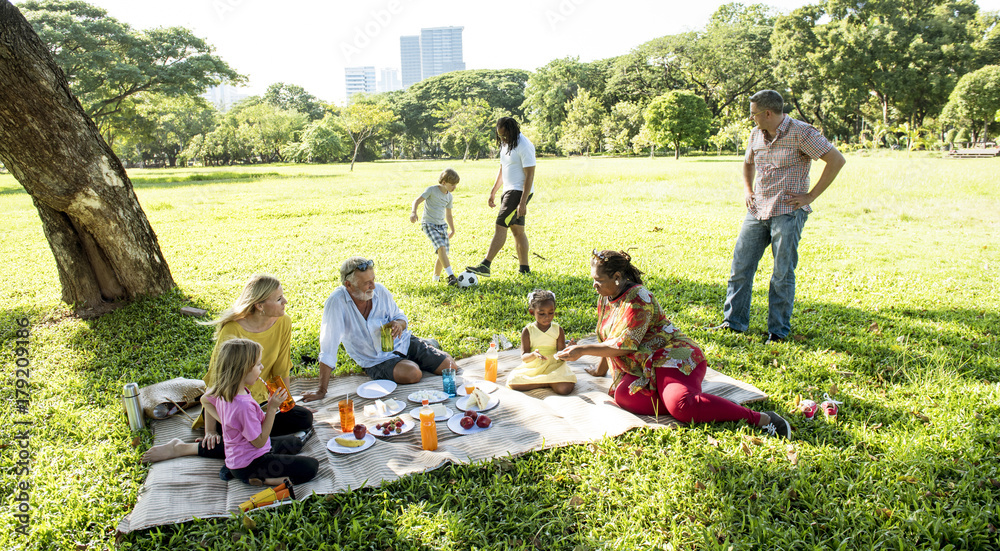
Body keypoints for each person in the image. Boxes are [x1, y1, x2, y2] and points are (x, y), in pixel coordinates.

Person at [556, 250, 792, 438]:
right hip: (644, 366)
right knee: (624, 396)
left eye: (598, 280)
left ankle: (762, 418)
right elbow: (608, 336)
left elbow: (625, 345)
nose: (594, 285)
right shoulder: (607, 297)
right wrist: (600, 370)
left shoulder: (638, 298)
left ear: (617, 278)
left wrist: (582, 350)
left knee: (681, 406)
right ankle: (696, 401)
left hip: (672, 356)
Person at [713, 90, 846, 343]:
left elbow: (836, 160)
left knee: (782, 273)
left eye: (753, 114)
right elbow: (748, 162)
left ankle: (778, 332)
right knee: (740, 267)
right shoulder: (756, 134)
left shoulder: (802, 132)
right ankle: (733, 323)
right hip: (758, 209)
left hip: (787, 211)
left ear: (768, 113)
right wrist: (748, 189)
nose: (751, 119)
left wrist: (810, 196)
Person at [142, 274, 314, 465]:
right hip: (231, 408)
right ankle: (186, 447)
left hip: (261, 407)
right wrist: (210, 431)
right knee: (279, 442)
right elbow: (217, 383)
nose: (285, 301)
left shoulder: (283, 322)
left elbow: (281, 370)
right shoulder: (232, 331)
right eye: (279, 299)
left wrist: (286, 404)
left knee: (304, 418)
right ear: (259, 306)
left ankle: (251, 441)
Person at [303, 256, 458, 401]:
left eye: (373, 280)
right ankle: (421, 353)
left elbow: (400, 316)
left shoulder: (380, 292)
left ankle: (426, 346)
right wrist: (321, 390)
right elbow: (328, 347)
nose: (373, 286)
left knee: (450, 367)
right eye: (366, 283)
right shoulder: (336, 303)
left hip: (402, 342)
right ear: (348, 285)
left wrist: (398, 324)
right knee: (413, 373)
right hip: (375, 359)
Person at [199, 338, 318, 485]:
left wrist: (226, 421)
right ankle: (264, 479)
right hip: (251, 463)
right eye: (258, 364)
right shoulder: (243, 406)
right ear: (244, 369)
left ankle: (235, 471)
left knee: (294, 443)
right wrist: (272, 408)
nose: (262, 368)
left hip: (239, 457)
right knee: (311, 466)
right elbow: (260, 442)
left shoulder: (225, 391)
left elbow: (204, 400)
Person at [465, 117, 536, 277]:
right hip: (508, 191)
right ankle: (525, 270)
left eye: (505, 135)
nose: (503, 139)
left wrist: (522, 202)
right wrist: (494, 190)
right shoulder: (506, 144)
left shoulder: (524, 145)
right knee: (517, 231)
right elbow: (503, 168)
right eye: (500, 136)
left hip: (518, 192)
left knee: (500, 224)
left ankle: (486, 264)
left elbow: (530, 175)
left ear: (512, 131)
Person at [506, 289, 577, 395]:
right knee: (513, 382)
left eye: (551, 312)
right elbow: (524, 357)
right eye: (541, 313)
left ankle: (545, 381)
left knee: (564, 389)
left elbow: (561, 354)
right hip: (534, 367)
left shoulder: (558, 329)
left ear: (554, 310)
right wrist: (534, 355)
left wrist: (568, 348)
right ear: (532, 312)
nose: (547, 317)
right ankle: (548, 383)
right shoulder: (528, 331)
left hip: (554, 365)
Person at [410, 168, 460, 285]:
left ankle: (436, 279)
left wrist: (452, 229)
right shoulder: (431, 190)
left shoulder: (449, 197)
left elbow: (449, 215)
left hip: (442, 225)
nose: (454, 187)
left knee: (442, 254)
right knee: (441, 248)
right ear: (443, 182)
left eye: (455, 185)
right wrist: (413, 212)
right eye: (452, 185)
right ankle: (451, 276)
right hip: (428, 224)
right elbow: (417, 201)